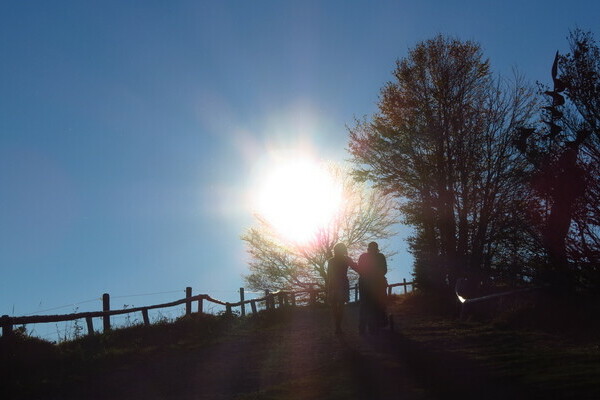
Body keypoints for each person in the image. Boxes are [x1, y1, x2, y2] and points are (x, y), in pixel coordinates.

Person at [357, 241, 388, 334]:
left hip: (366, 283)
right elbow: (384, 270)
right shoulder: (380, 256)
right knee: (373, 304)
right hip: (374, 283)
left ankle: (365, 327)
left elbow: (360, 270)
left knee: (366, 304)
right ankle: (371, 326)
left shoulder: (363, 256)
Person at [326, 243, 357, 334]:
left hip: (333, 284)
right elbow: (355, 267)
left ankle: (337, 326)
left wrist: (328, 287)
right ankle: (338, 326)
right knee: (341, 306)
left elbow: (328, 275)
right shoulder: (346, 259)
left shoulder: (331, 261)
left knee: (334, 306)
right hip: (343, 283)